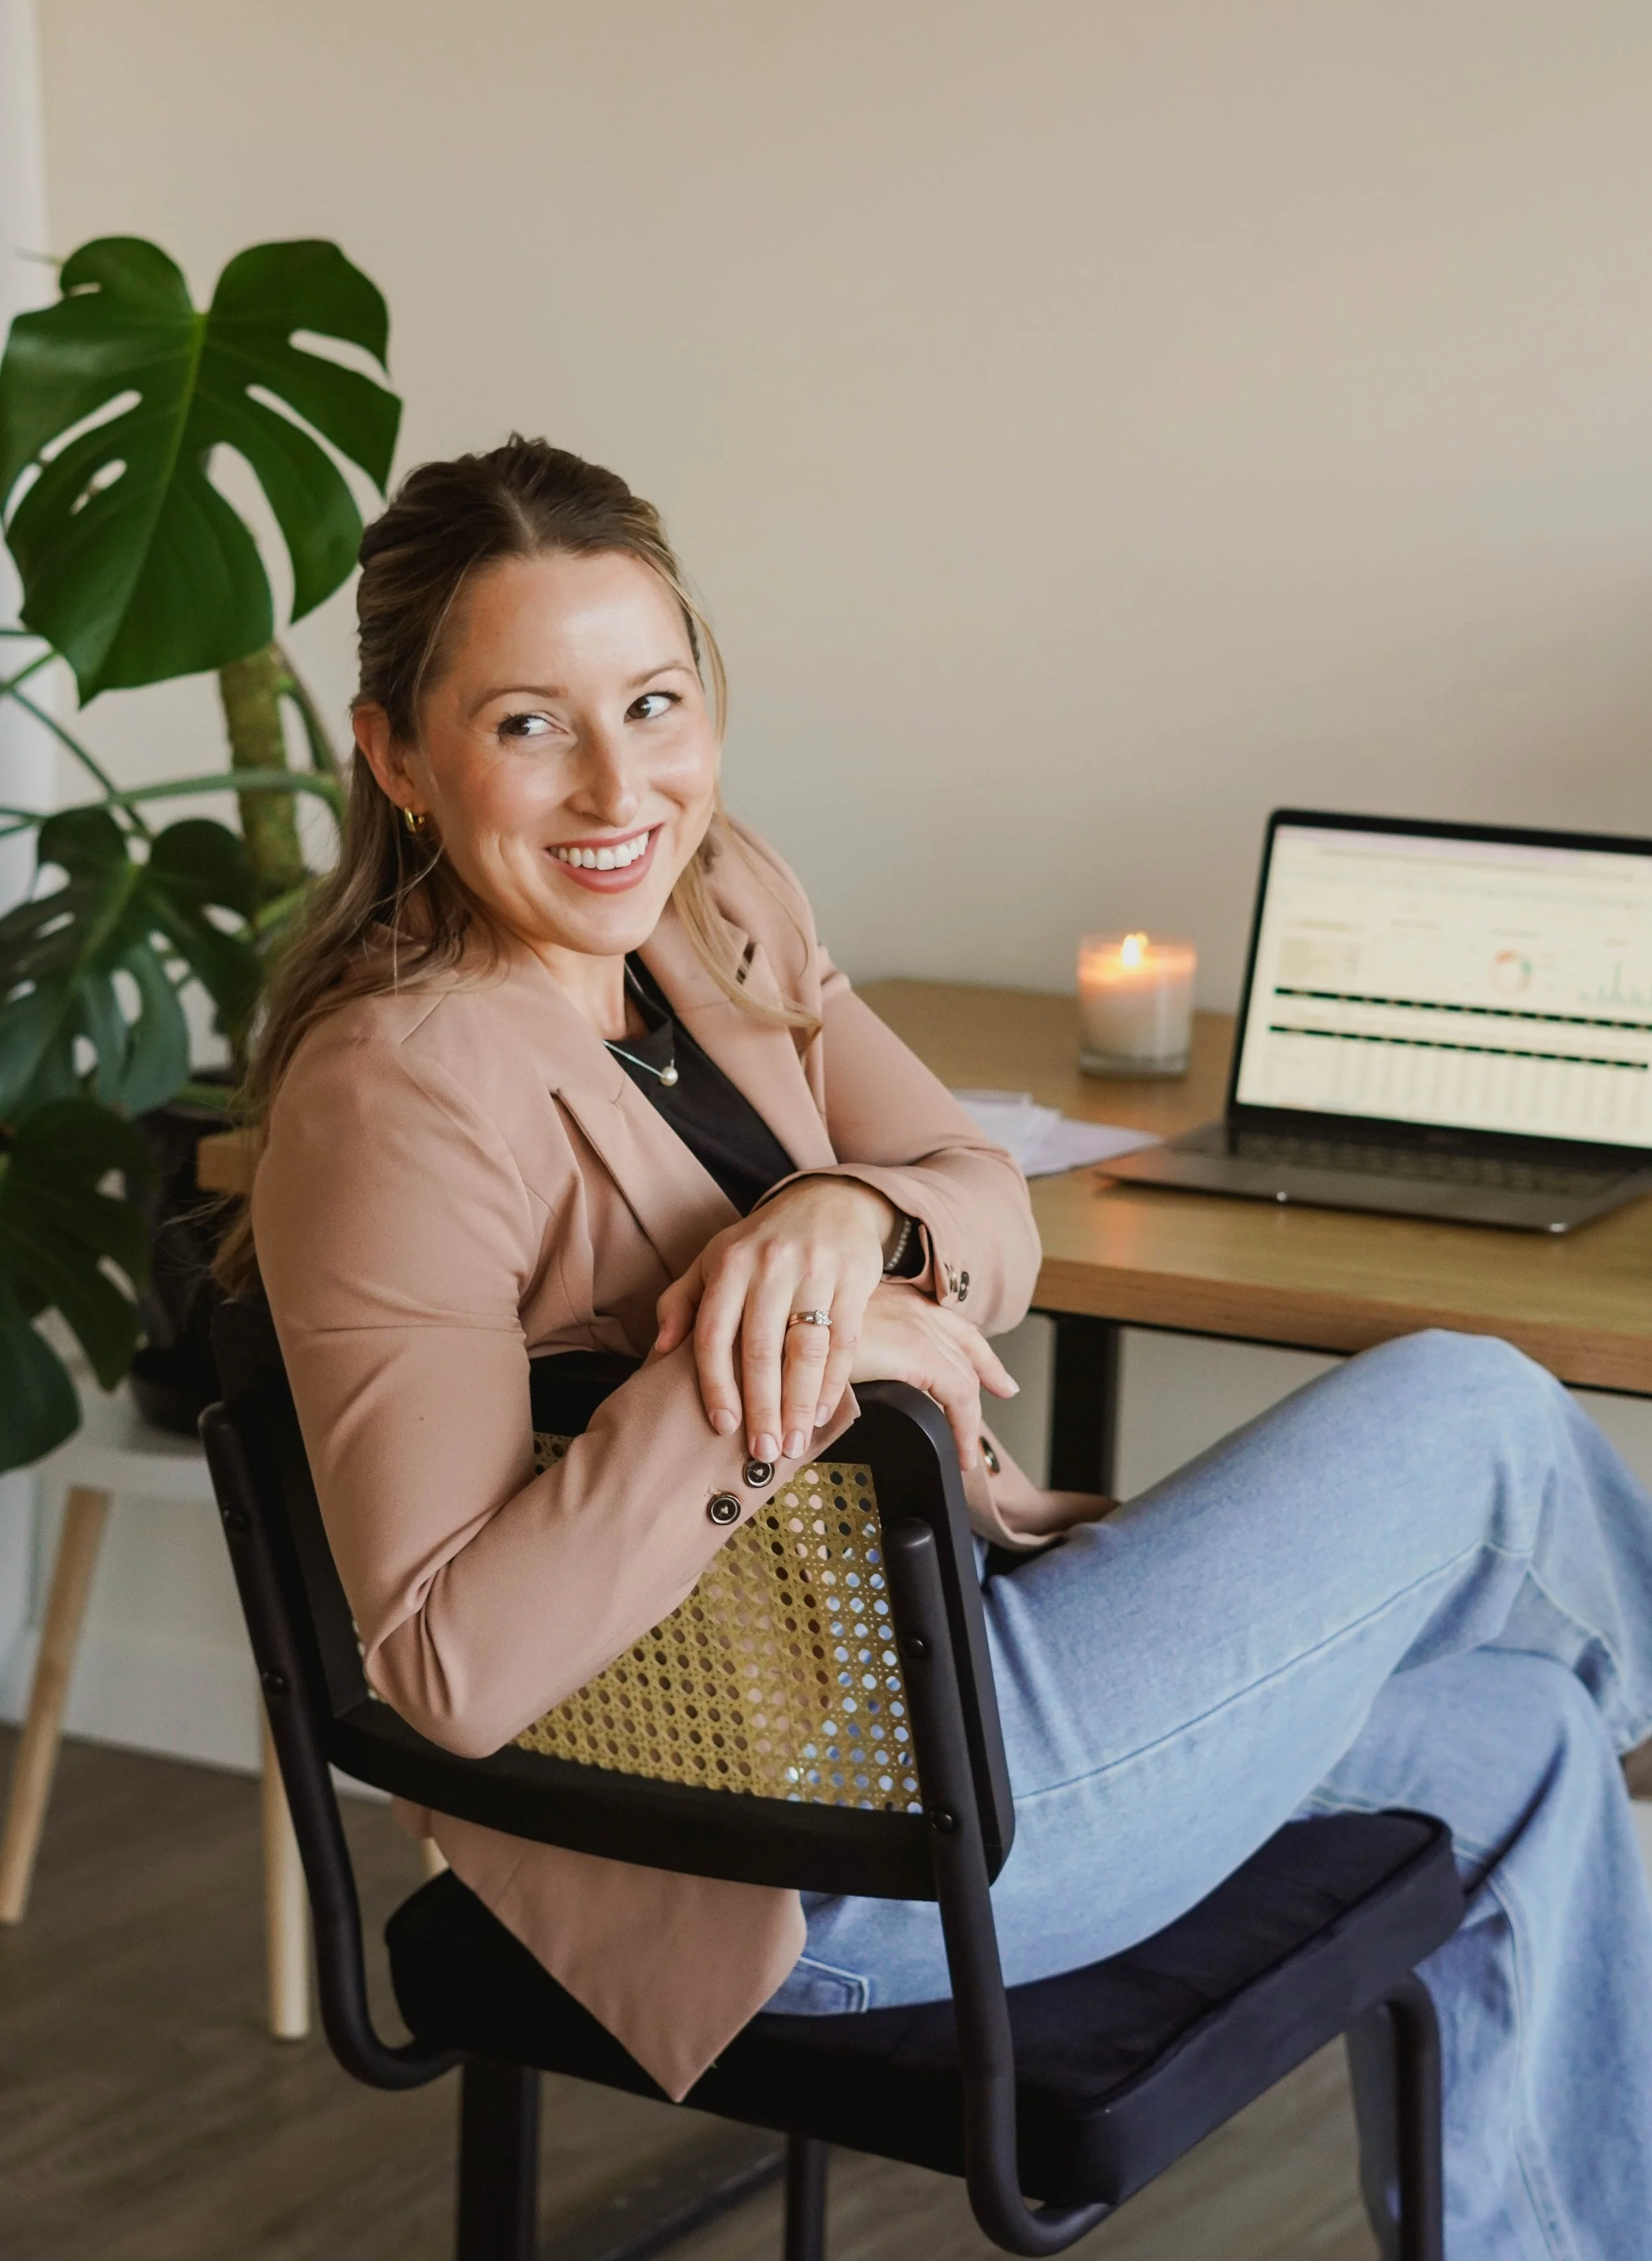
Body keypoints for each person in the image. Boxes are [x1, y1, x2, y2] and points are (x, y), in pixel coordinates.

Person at [241, 437, 1652, 2258]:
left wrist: (854, 1222)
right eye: (529, 723)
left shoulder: (710, 901)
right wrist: (787, 1363)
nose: (618, 782)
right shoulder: (398, 1089)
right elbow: (437, 1663)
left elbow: (987, 1195)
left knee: (1530, 1728)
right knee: (1466, 1404)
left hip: (968, 1678)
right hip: (797, 1850)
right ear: (399, 759)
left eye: (654, 702)